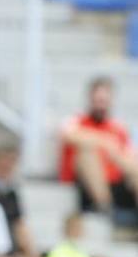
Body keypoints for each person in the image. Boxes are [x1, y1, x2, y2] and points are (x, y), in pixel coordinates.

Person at [59, 79, 138, 219]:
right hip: (85, 188)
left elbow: (128, 156)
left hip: (117, 185)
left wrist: (117, 154)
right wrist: (104, 141)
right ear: (90, 99)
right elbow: (67, 135)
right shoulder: (76, 121)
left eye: (104, 101)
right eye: (97, 100)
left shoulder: (118, 128)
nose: (101, 105)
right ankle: (105, 207)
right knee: (87, 152)